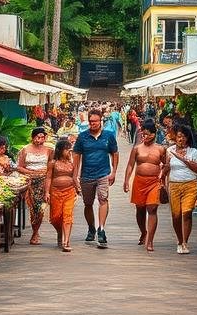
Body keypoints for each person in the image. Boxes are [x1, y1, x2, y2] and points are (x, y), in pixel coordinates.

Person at [72, 107, 119, 248]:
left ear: (101, 121)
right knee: (88, 203)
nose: (93, 124)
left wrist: (114, 172)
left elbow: (115, 153)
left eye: (96, 121)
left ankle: (101, 229)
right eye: (91, 121)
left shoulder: (109, 135)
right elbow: (76, 156)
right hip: (86, 174)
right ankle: (91, 227)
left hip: (103, 173)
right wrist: (75, 176)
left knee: (103, 199)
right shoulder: (82, 136)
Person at [124, 120, 167, 252]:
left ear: (154, 134)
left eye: (148, 134)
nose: (145, 136)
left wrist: (163, 177)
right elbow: (131, 165)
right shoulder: (137, 148)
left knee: (152, 208)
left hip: (154, 182)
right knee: (140, 209)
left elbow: (166, 166)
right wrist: (126, 180)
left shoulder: (160, 149)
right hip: (139, 181)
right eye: (143, 134)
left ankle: (150, 241)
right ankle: (144, 231)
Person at [164, 125, 197, 254]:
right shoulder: (169, 151)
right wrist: (165, 183)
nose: (181, 139)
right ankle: (179, 239)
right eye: (179, 136)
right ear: (175, 137)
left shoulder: (193, 152)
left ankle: (184, 242)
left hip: (190, 184)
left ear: (187, 138)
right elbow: (165, 169)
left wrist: (185, 160)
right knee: (176, 215)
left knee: (187, 212)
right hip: (174, 184)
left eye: (184, 136)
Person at [17, 128, 51, 245]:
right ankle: (34, 232)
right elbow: (19, 167)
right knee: (33, 208)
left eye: (42, 137)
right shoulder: (25, 150)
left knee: (41, 208)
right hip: (30, 182)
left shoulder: (49, 150)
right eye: (37, 137)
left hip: (44, 181)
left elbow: (51, 167)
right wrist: (30, 172)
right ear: (32, 137)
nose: (39, 140)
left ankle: (36, 231)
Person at [47, 139, 77, 252]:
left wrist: (78, 188)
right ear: (60, 150)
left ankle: (66, 241)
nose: (69, 151)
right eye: (66, 149)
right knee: (55, 217)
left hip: (69, 191)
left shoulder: (73, 163)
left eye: (70, 149)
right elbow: (48, 178)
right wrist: (46, 192)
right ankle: (60, 232)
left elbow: (75, 177)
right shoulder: (53, 163)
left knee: (67, 216)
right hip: (55, 192)